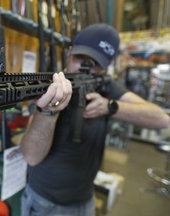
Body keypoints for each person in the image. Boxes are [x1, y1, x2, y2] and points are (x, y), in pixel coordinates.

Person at [20, 23, 170, 216]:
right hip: (45, 202)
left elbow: (162, 119)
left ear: (106, 68)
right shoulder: (52, 87)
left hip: (85, 199)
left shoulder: (106, 88)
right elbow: (31, 157)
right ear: (69, 53)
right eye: (80, 57)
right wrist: (48, 111)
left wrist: (109, 107)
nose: (85, 67)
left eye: (96, 63)